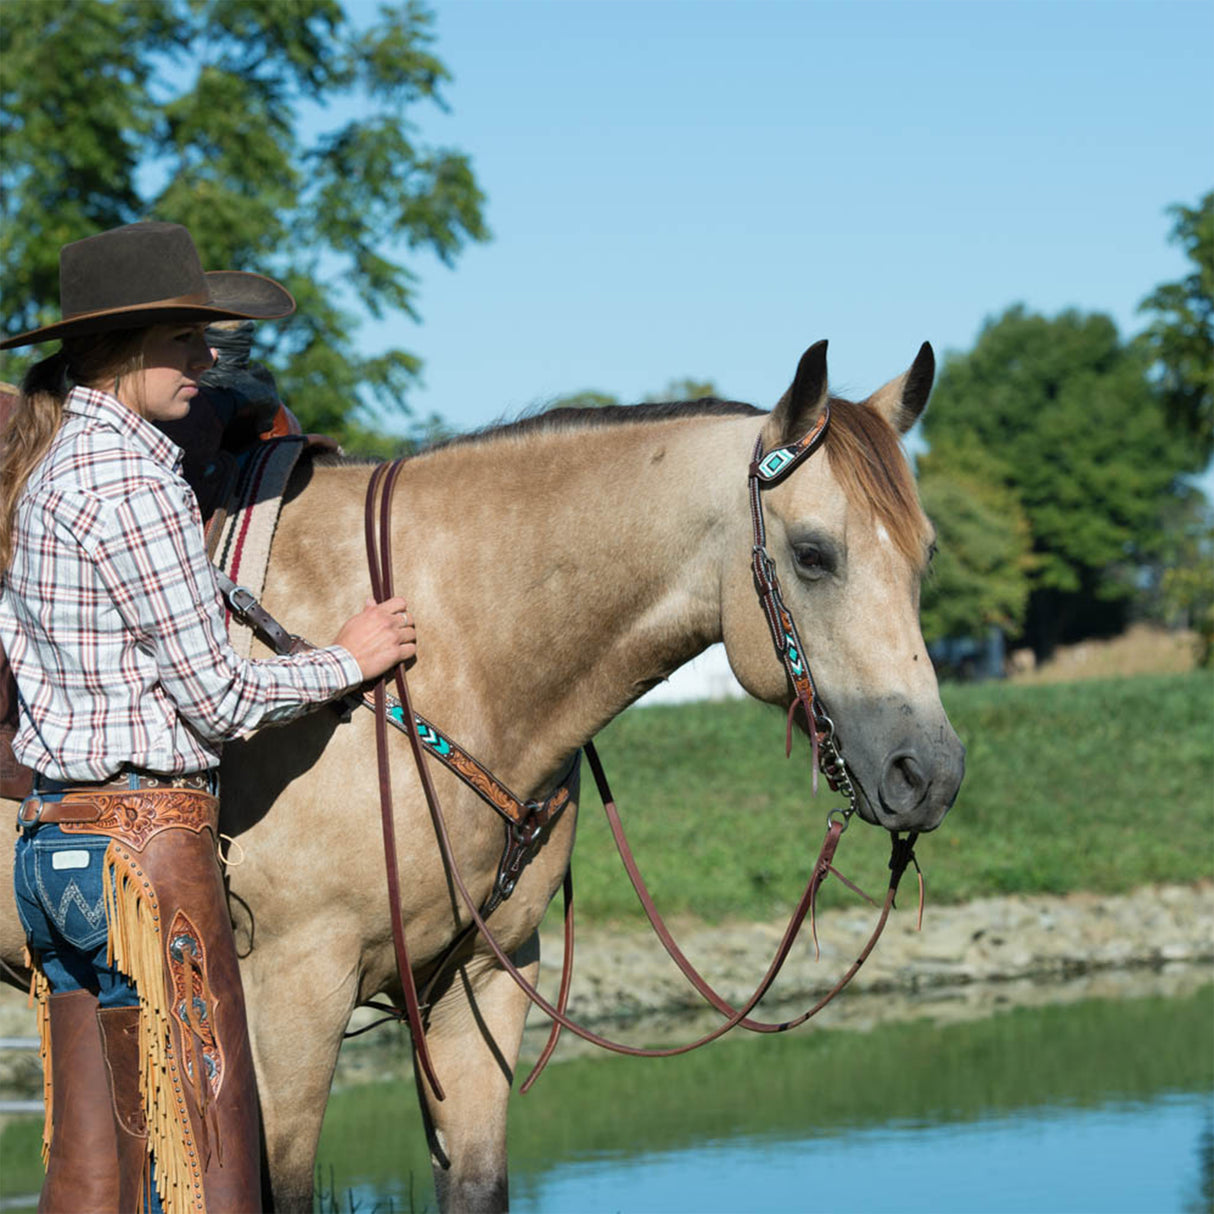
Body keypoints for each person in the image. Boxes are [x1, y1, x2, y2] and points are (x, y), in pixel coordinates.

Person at [0, 221, 415, 1214]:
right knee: (210, 1175)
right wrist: (347, 659)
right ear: (123, 347)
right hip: (148, 855)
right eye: (184, 342)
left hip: (51, 850)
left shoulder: (44, 473)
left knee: (89, 1173)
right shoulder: (135, 482)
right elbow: (218, 699)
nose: (206, 363)